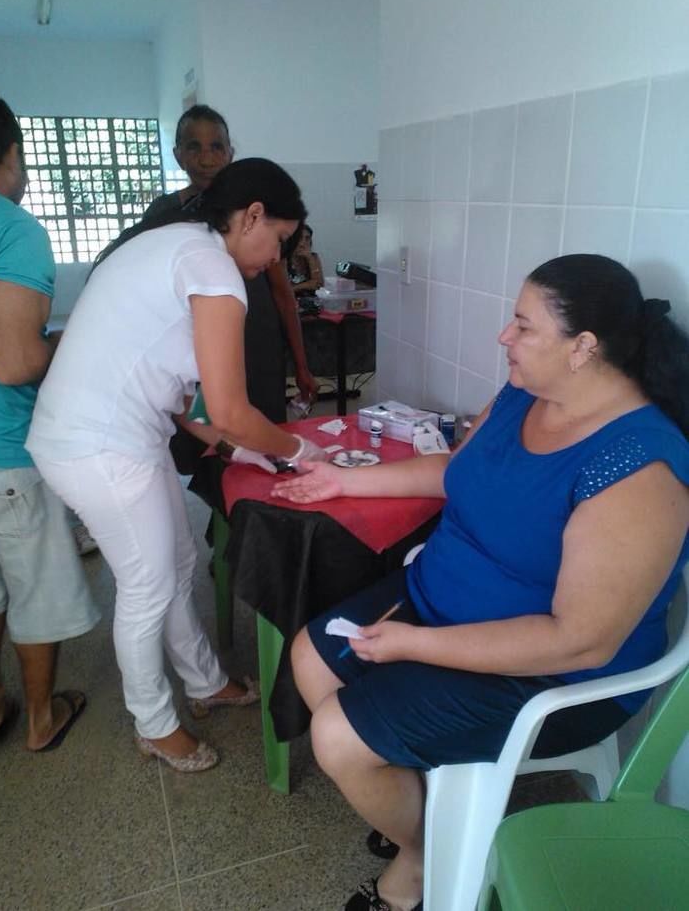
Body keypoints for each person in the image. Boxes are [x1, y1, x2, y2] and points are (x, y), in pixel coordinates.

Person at [271, 253, 689, 911]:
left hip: (553, 674)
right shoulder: (526, 394)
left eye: (523, 326)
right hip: (443, 601)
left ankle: (422, 859)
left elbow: (578, 641)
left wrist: (413, 647)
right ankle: (424, 806)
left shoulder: (636, 466)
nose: (504, 337)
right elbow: (453, 473)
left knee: (337, 733)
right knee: (310, 657)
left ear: (583, 347)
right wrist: (343, 479)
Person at [26, 158, 328, 774]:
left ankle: (205, 682)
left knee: (178, 560)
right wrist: (298, 449)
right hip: (101, 445)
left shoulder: (177, 245)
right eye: (278, 239)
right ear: (251, 218)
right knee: (147, 585)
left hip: (111, 435)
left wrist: (242, 449)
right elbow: (231, 407)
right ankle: (155, 724)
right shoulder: (213, 267)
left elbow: (190, 403)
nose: (275, 258)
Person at [0, 89, 100, 751]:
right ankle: (39, 717)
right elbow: (13, 363)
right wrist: (69, 340)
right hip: (3, 451)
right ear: (12, 150)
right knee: (33, 582)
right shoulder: (13, 227)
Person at [144, 104, 317, 420]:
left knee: (260, 432)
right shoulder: (165, 215)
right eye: (194, 147)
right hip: (190, 352)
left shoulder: (256, 214)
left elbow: (282, 293)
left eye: (216, 147)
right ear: (178, 154)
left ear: (230, 153)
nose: (206, 158)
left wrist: (302, 366)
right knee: (203, 435)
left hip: (256, 345)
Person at [287, 223, 324, 296]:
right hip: (291, 301)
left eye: (307, 238)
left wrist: (310, 259)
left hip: (311, 301)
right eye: (299, 238)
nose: (303, 243)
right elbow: (281, 291)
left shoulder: (313, 257)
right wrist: (305, 285)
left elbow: (319, 285)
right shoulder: (284, 260)